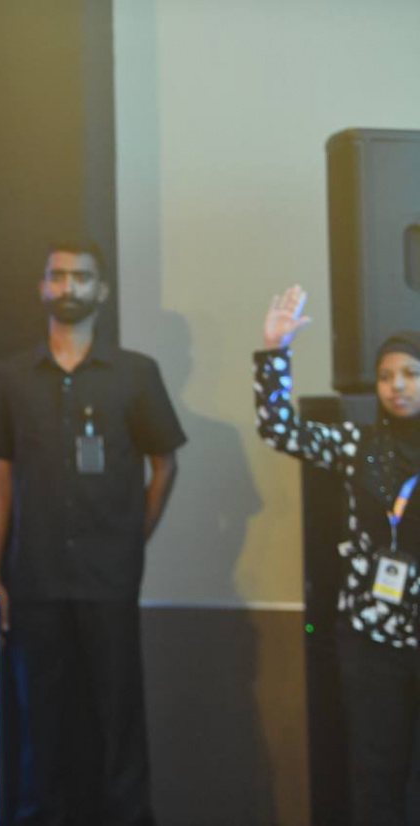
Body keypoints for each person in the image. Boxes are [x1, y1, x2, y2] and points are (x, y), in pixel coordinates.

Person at [0, 240, 185, 825]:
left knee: (118, 718)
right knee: (38, 719)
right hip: (34, 580)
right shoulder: (13, 377)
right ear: (43, 287)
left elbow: (165, 464)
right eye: (58, 276)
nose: (69, 287)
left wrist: (131, 539)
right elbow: (1, 475)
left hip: (108, 581)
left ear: (101, 290)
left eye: (81, 277)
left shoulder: (135, 374)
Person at [256, 285, 420, 825]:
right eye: (386, 377)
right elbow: (279, 429)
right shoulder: (360, 445)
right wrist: (275, 352)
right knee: (375, 776)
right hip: (372, 641)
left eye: (411, 374)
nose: (397, 386)